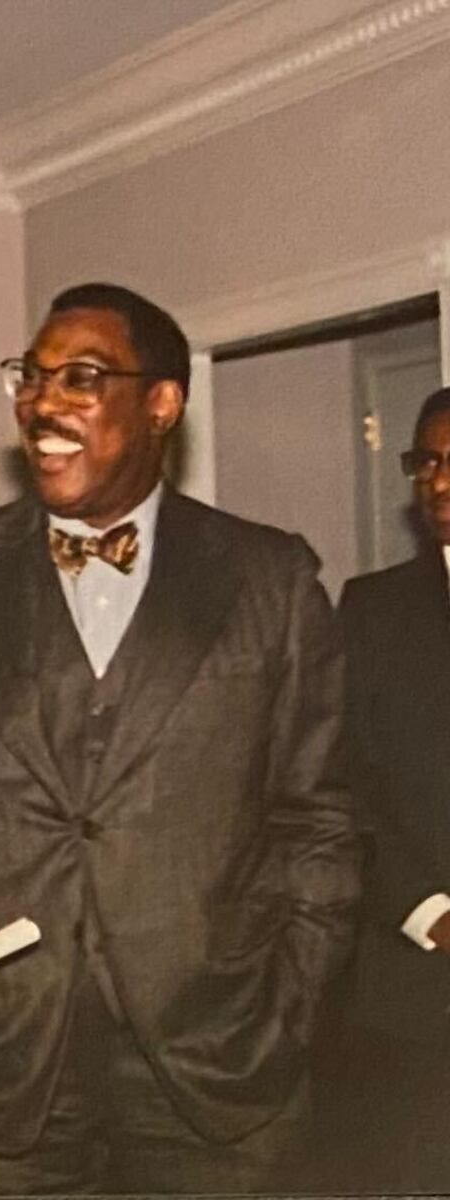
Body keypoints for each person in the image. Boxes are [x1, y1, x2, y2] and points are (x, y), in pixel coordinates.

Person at [0, 282, 359, 1194]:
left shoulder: (270, 579)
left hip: (214, 1064)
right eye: (32, 377)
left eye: (81, 378)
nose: (42, 402)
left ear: (162, 402)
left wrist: (290, 1006)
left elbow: (317, 819)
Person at [333, 384, 450, 1192]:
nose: (439, 484)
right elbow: (340, 781)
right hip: (411, 986)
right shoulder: (372, 610)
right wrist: (431, 912)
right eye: (427, 464)